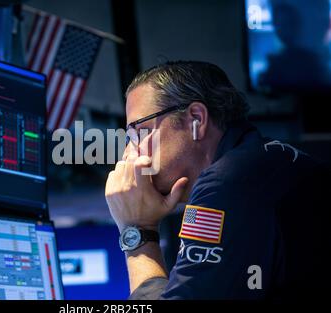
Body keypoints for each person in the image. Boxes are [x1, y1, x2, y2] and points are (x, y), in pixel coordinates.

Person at [105, 61, 331, 300]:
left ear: (196, 119)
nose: (130, 154)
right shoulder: (266, 162)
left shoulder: (225, 185)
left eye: (139, 132)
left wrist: (139, 231)